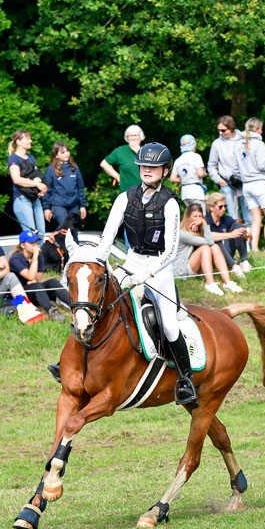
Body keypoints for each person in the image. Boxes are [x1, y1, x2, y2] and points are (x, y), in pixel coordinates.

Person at [97, 143, 197, 407]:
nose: (147, 170)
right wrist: (97, 259)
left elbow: (172, 249)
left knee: (168, 324)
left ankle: (185, 380)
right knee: (95, 301)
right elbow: (107, 238)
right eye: (143, 166)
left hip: (159, 268)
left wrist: (147, 274)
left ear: (165, 170)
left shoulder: (170, 203)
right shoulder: (124, 197)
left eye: (153, 167)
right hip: (131, 261)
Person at [174, 203, 243, 296]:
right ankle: (210, 283)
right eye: (195, 216)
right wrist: (204, 223)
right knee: (205, 248)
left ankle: (228, 282)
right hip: (181, 271)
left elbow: (210, 239)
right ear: (188, 218)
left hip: (193, 264)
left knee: (214, 247)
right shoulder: (182, 233)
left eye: (200, 216)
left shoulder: (196, 230)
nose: (198, 219)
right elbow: (209, 240)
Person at [235, 117, 265, 251]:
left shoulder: (238, 144)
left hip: (246, 185)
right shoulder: (259, 144)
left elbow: (236, 168)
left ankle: (254, 248)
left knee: (255, 218)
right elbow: (262, 165)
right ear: (259, 129)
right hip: (259, 183)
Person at [9, 230, 69, 321]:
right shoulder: (15, 259)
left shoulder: (39, 255)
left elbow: (38, 278)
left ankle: (74, 304)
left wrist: (35, 259)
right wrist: (35, 258)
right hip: (22, 293)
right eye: (31, 243)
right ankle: (52, 310)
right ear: (23, 245)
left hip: (36, 289)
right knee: (37, 286)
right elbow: (30, 277)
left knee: (52, 282)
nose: (35, 245)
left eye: (35, 242)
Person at [7, 130, 47, 246]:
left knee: (41, 234)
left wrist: (41, 189)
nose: (30, 141)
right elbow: (16, 179)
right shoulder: (13, 159)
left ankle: (40, 261)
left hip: (34, 198)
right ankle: (31, 261)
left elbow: (36, 176)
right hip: (22, 199)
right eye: (27, 139)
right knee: (30, 235)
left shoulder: (30, 157)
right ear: (18, 142)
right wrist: (36, 184)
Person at [43, 142, 87, 234]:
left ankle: (75, 248)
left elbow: (80, 187)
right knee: (66, 230)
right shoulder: (51, 169)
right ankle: (62, 247)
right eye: (63, 152)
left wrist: (82, 205)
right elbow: (48, 190)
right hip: (59, 204)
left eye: (67, 151)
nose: (67, 154)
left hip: (73, 205)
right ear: (56, 155)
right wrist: (46, 208)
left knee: (74, 231)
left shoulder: (74, 167)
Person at [204, 193, 252, 278]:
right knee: (216, 241)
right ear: (211, 208)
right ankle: (234, 266)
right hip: (212, 256)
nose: (223, 209)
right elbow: (209, 236)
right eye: (220, 207)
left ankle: (244, 261)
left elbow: (249, 237)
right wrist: (230, 235)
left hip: (227, 251)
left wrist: (246, 235)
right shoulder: (206, 220)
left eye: (225, 206)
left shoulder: (226, 219)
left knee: (238, 226)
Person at [207, 115, 244, 220]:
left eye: (223, 130)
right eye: (218, 130)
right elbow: (211, 165)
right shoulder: (217, 144)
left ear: (231, 128)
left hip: (243, 182)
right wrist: (218, 180)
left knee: (248, 214)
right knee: (232, 216)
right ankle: (234, 234)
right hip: (226, 183)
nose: (220, 133)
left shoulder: (242, 141)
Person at [100, 124, 144, 193]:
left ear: (140, 137)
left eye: (135, 135)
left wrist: (139, 152)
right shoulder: (120, 151)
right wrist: (117, 176)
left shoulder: (147, 150)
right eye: (130, 136)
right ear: (127, 138)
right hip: (127, 193)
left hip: (146, 192)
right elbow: (104, 164)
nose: (133, 138)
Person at [169, 134, 207, 212]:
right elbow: (200, 173)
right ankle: (205, 225)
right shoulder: (196, 156)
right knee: (201, 215)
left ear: (181, 147)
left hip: (185, 193)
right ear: (194, 145)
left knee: (191, 215)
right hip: (196, 192)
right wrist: (205, 173)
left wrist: (185, 179)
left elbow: (172, 178)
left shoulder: (178, 160)